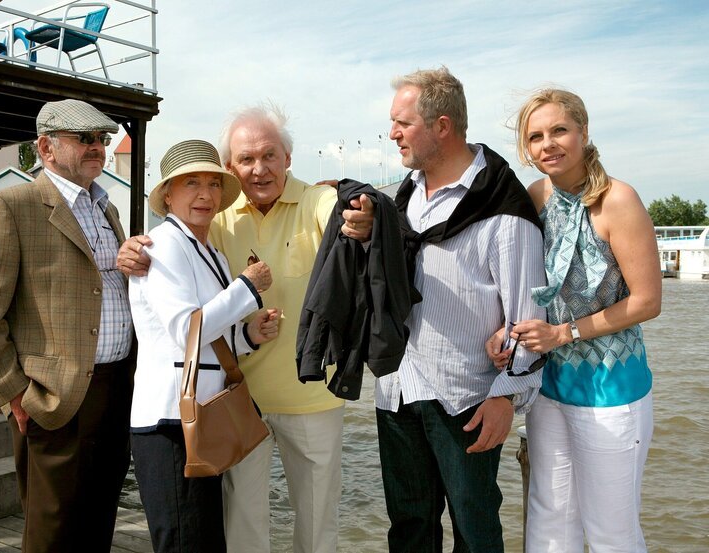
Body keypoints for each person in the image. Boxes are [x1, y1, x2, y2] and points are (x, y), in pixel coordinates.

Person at [117, 104, 374, 553]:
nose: (259, 169)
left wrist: (362, 217)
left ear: (287, 159)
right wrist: (135, 246)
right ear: (233, 166)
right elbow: (178, 277)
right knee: (240, 528)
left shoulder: (316, 201)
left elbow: (345, 217)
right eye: (245, 160)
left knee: (317, 526)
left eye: (269, 155)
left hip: (310, 398)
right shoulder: (215, 220)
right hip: (235, 401)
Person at [374, 66, 547, 552]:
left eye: (402, 123)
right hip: (397, 389)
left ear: (442, 126)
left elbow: (527, 316)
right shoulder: (403, 198)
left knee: (475, 532)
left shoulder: (504, 208)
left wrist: (506, 397)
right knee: (408, 529)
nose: (393, 133)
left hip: (467, 397)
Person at [487, 88, 661, 552]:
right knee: (549, 522)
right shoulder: (535, 196)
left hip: (611, 389)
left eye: (559, 130)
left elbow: (647, 301)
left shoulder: (618, 200)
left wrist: (566, 332)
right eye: (536, 136)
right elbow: (525, 282)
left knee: (610, 531)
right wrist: (506, 331)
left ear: (583, 131)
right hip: (549, 386)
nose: (548, 144)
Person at [0, 99, 134, 553]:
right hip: (53, 397)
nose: (98, 147)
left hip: (116, 390)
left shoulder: (106, 209)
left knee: (100, 520)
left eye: (102, 139)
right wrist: (14, 393)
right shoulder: (11, 206)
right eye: (85, 139)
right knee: (52, 531)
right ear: (46, 147)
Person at [129, 139, 280, 552]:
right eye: (191, 183)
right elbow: (186, 331)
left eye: (213, 184)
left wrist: (249, 335)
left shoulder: (207, 247)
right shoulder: (164, 245)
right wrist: (247, 287)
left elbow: (211, 335)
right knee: (185, 541)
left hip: (199, 419)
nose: (205, 194)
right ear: (168, 195)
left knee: (204, 540)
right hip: (168, 422)